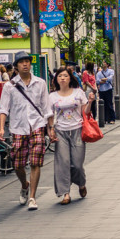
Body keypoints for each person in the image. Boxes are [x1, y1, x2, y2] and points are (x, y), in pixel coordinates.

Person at [0, 51, 53, 211]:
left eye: (27, 61)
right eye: (21, 62)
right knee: (17, 163)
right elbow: (3, 108)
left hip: (37, 126)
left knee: (36, 162)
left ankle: (32, 197)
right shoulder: (9, 86)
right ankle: (24, 185)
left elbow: (46, 107)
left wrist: (51, 127)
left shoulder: (40, 83)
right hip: (18, 127)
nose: (25, 64)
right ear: (16, 67)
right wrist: (2, 128)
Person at [47, 68, 94, 205]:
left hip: (77, 130)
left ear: (70, 78)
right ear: (56, 79)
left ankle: (81, 183)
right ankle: (65, 193)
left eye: (65, 76)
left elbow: (85, 112)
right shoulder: (52, 96)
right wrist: (51, 129)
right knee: (63, 163)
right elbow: (50, 115)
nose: (62, 78)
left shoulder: (78, 93)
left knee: (77, 164)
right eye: (60, 76)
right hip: (61, 131)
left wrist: (90, 102)